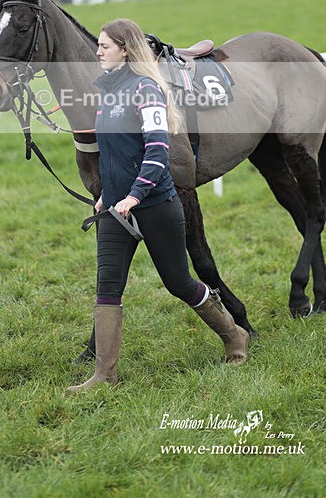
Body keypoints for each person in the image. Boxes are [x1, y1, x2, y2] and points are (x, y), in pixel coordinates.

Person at [68, 19, 249, 392]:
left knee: (179, 283)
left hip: (155, 204)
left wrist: (134, 195)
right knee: (107, 287)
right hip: (116, 209)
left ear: (125, 51)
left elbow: (156, 153)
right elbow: (113, 155)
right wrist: (108, 195)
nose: (97, 51)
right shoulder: (106, 91)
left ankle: (235, 336)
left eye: (105, 46)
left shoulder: (146, 90)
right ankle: (104, 376)